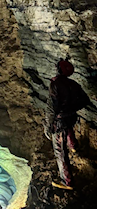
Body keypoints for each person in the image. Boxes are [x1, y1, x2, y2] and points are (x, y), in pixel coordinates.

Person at [44, 59, 92, 190]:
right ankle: (74, 146)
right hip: (70, 118)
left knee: (60, 151)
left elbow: (51, 108)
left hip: (59, 123)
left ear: (58, 70)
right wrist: (71, 109)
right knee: (69, 129)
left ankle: (67, 181)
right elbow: (85, 100)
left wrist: (47, 126)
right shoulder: (74, 84)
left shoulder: (55, 84)